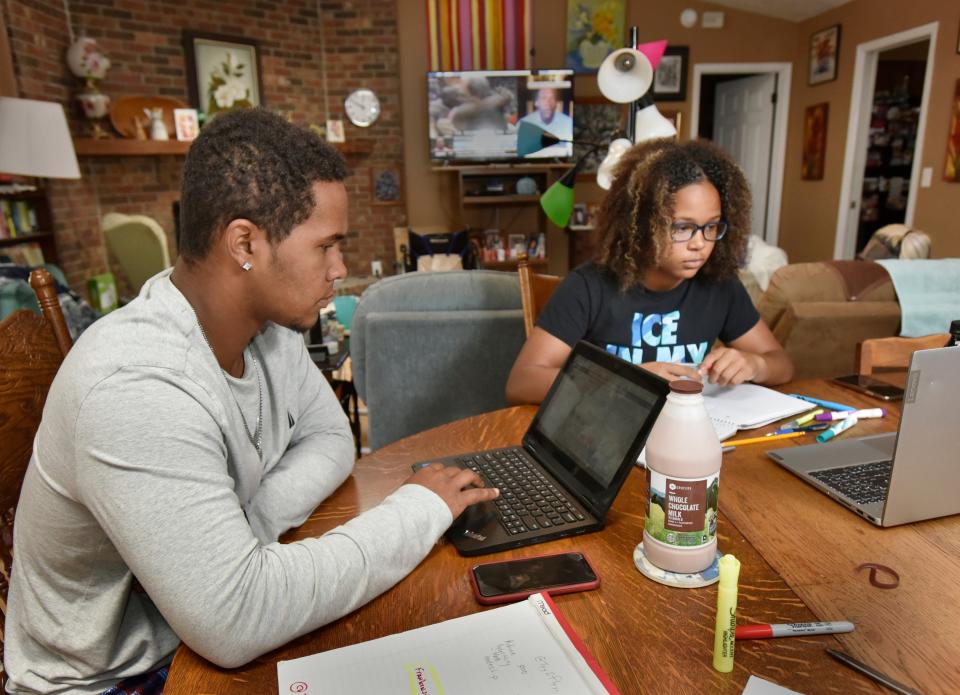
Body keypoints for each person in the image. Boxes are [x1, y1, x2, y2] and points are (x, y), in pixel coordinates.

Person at [3, 109, 498, 694]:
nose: (339, 269)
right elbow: (236, 618)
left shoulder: (267, 330)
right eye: (326, 247)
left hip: (192, 636)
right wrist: (418, 509)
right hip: (112, 681)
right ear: (246, 243)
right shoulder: (137, 386)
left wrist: (249, 525)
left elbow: (332, 437)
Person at [506, 139, 793, 405]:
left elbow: (782, 364)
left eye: (712, 226)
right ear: (642, 224)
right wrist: (627, 379)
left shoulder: (721, 286)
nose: (700, 243)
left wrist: (755, 364)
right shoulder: (588, 286)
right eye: (682, 227)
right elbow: (522, 382)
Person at [519, 87, 573, 158]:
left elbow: (569, 152)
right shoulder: (524, 123)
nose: (548, 103)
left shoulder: (568, 122)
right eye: (544, 98)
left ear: (556, 103)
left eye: (552, 98)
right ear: (536, 102)